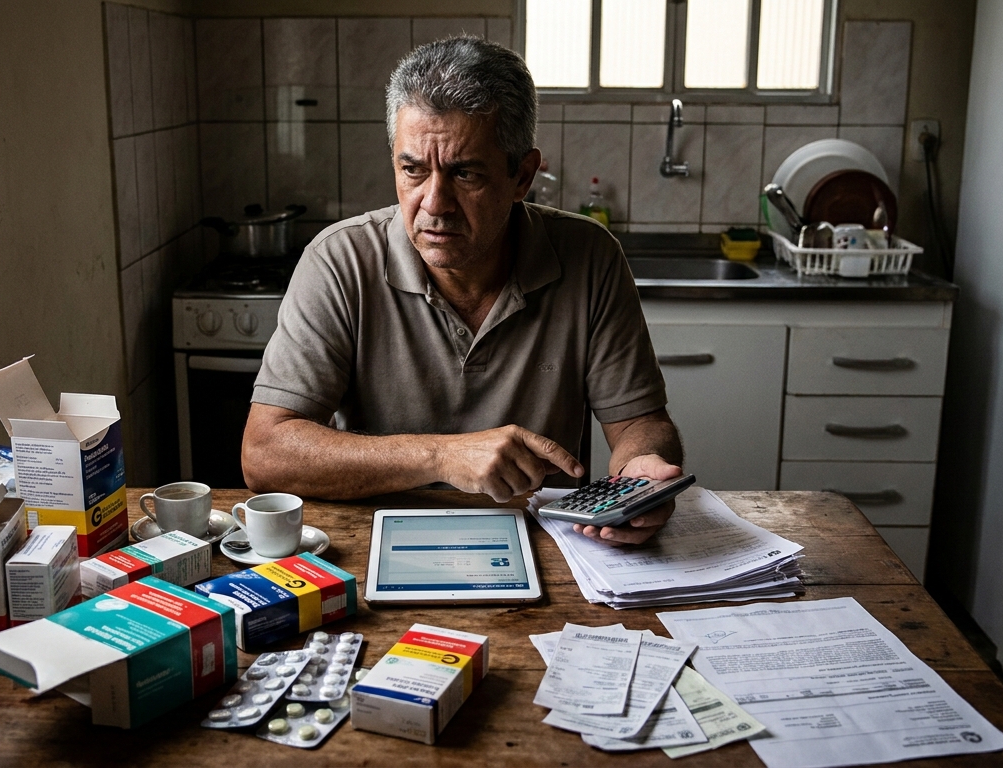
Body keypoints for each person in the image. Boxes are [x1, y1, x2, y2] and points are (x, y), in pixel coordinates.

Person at [241, 36, 683, 545]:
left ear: (522, 176)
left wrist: (641, 473)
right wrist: (443, 455)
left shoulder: (590, 257)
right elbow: (265, 454)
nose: (434, 203)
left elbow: (639, 424)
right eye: (412, 170)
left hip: (553, 544)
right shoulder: (339, 260)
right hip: (376, 543)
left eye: (465, 173)